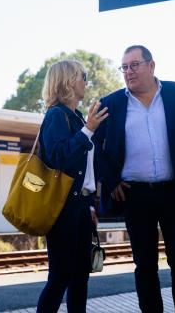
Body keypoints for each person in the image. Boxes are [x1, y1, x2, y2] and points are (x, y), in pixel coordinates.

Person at [94, 45, 175, 313]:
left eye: (134, 65)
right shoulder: (112, 103)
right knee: (145, 265)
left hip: (174, 192)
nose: (128, 72)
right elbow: (96, 146)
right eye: (124, 67)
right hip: (136, 195)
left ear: (151, 65)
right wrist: (110, 181)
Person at [36, 59, 108, 313]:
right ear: (68, 81)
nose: (86, 82)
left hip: (80, 208)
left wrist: (89, 205)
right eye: (82, 76)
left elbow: (85, 172)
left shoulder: (76, 118)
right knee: (60, 277)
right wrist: (88, 130)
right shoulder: (56, 115)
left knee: (80, 277)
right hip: (62, 209)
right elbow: (59, 157)